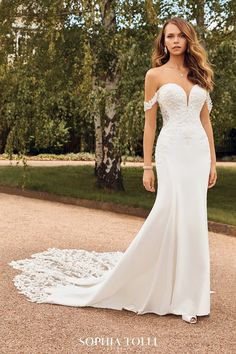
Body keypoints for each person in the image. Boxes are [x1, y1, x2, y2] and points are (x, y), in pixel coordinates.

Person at [9, 16, 217, 325]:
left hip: (198, 154)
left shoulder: (199, 75)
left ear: (189, 40)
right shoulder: (154, 75)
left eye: (180, 36)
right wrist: (147, 167)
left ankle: (191, 294)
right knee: (168, 214)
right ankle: (163, 286)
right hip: (171, 151)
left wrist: (213, 161)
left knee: (194, 219)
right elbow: (149, 126)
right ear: (163, 41)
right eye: (169, 36)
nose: (175, 41)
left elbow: (205, 121)